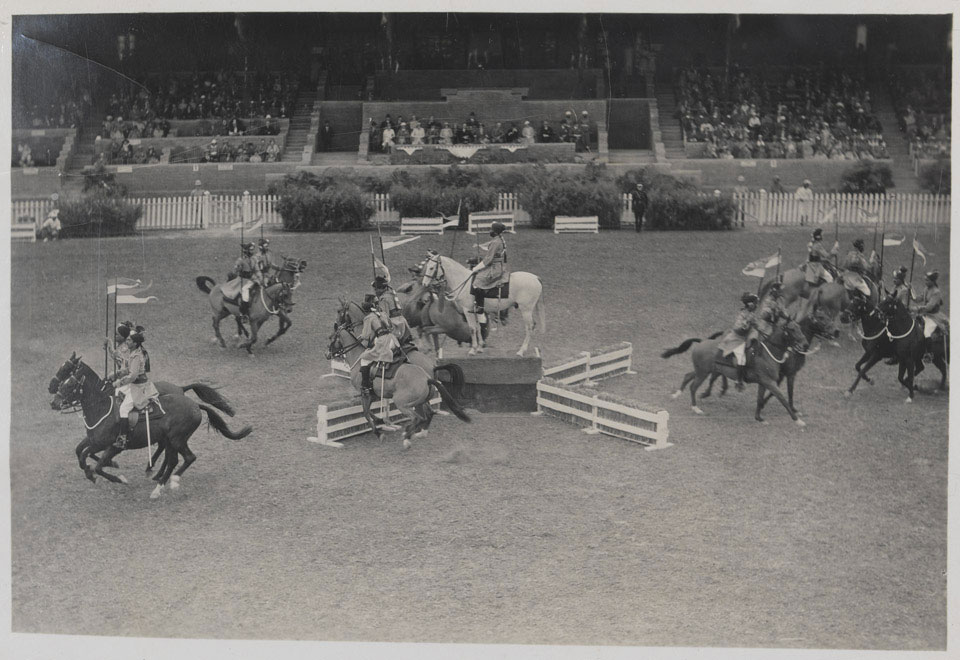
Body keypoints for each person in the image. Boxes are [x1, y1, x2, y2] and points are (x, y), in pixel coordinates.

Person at [108, 327, 158, 449]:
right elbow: (127, 369)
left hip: (138, 387)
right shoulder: (132, 353)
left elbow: (133, 375)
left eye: (129, 340)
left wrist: (118, 382)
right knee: (115, 393)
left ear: (135, 343)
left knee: (124, 409)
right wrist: (116, 374)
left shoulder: (136, 356)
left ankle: (123, 438)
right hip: (133, 384)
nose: (127, 342)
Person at [470, 221, 510, 335]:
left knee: (477, 281)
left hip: (495, 268)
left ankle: (480, 307)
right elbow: (490, 246)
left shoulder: (496, 242)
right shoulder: (499, 239)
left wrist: (476, 268)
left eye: (491, 229)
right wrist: (479, 246)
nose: (489, 231)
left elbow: (488, 259)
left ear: (495, 231)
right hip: (499, 265)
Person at [358, 294, 399, 398]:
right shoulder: (383, 314)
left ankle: (365, 386)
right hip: (393, 340)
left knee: (364, 359)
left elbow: (366, 335)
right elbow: (391, 326)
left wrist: (360, 337)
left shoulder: (368, 318)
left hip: (383, 342)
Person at [718, 293, 760, 391]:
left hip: (745, 338)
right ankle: (739, 380)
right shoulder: (742, 314)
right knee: (741, 359)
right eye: (754, 303)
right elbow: (737, 328)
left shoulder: (751, 314)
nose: (756, 305)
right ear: (750, 305)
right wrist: (746, 322)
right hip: (736, 339)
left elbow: (757, 325)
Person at [913, 271, 948, 338]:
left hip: (933, 316)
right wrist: (911, 292)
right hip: (925, 314)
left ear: (933, 281)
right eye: (925, 280)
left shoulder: (936, 292)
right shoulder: (926, 289)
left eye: (927, 280)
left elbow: (929, 307)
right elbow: (918, 299)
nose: (925, 282)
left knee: (927, 333)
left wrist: (916, 308)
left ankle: (927, 348)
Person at [234, 242, 263, 319]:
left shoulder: (254, 259)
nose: (252, 251)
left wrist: (260, 278)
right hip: (243, 279)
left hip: (252, 279)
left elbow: (257, 270)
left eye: (253, 250)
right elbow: (235, 270)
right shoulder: (241, 259)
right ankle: (244, 312)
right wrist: (238, 267)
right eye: (250, 250)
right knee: (245, 290)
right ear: (246, 250)